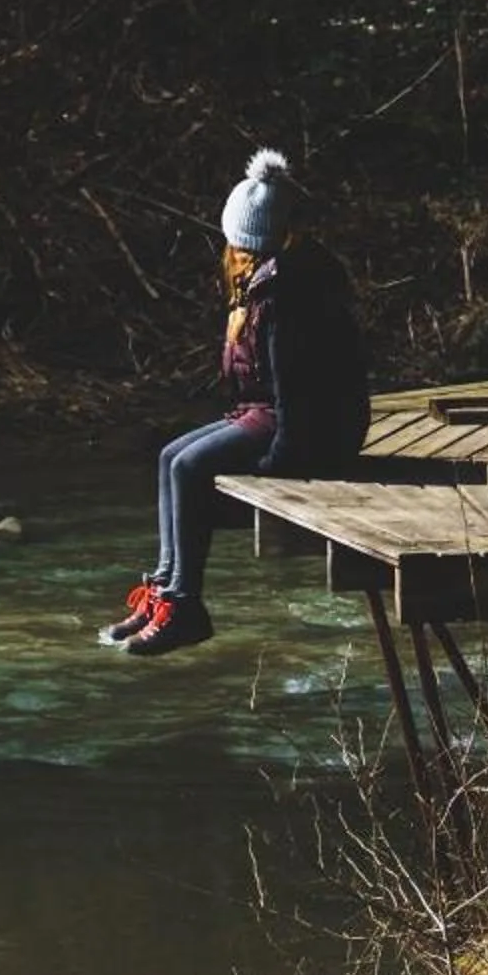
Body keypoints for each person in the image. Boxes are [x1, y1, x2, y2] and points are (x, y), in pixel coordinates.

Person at [101, 149, 370, 655]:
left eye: (239, 245)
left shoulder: (288, 294)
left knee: (188, 468)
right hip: (268, 413)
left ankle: (185, 606)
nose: (233, 253)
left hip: (305, 428)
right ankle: (163, 589)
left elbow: (297, 391)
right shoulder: (268, 282)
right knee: (169, 456)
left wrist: (279, 463)